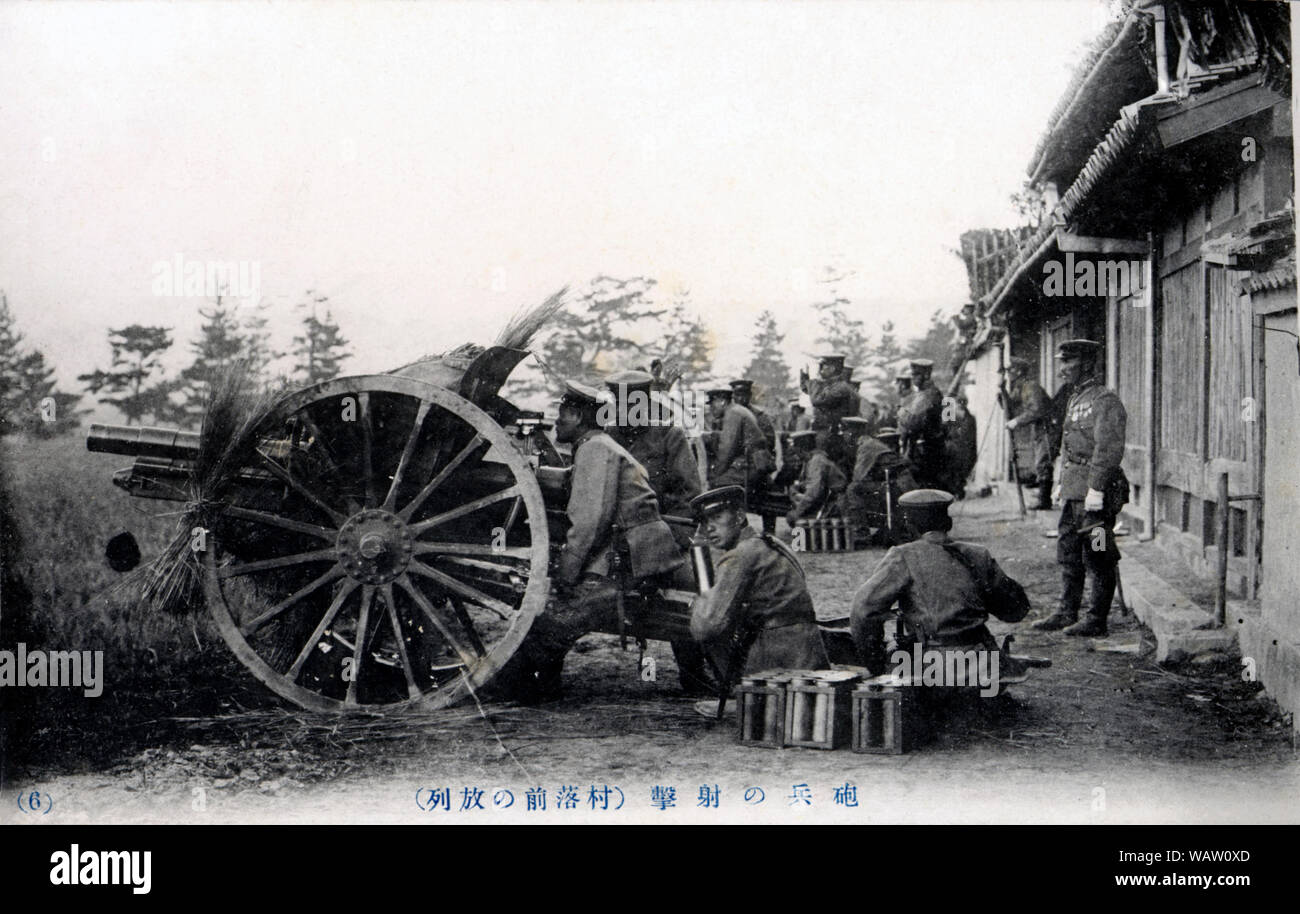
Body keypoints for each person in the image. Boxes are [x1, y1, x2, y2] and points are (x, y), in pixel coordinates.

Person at [501, 381, 689, 700]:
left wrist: (567, 574)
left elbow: (590, 520)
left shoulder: (596, 448)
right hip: (632, 553)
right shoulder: (597, 444)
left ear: (576, 415)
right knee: (551, 620)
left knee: (550, 624)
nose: (556, 421)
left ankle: (532, 693)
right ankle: (535, 689)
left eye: (562, 414)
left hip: (629, 560)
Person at [850, 489, 1030, 675]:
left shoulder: (903, 556)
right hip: (986, 664)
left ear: (909, 525)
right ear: (948, 523)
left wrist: (876, 662)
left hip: (934, 667)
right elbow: (1016, 611)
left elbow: (863, 610)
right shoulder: (978, 554)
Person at [689, 485, 829, 695]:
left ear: (738, 516)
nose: (709, 528)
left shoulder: (740, 555)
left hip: (777, 660)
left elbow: (706, 627)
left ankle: (736, 695)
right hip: (810, 651)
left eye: (717, 517)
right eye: (704, 521)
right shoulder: (772, 542)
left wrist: (698, 603)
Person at [1033, 340, 1128, 637]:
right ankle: (1066, 611)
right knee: (1069, 551)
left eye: (1068, 363)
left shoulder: (1105, 401)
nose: (1062, 369)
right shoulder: (1077, 398)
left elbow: (1107, 449)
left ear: (1087, 364)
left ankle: (1096, 619)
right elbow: (1069, 444)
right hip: (1075, 491)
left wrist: (1096, 489)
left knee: (1098, 554)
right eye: (1061, 362)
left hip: (1094, 493)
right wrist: (1061, 485)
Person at [604, 370, 702, 519]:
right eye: (617, 404)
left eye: (630, 405)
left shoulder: (669, 436)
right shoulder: (608, 434)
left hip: (656, 529)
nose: (620, 411)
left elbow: (688, 494)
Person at [844, 426, 917, 545]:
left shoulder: (866, 446)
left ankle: (861, 533)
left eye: (846, 432)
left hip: (897, 484)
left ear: (853, 433)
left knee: (853, 489)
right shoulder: (873, 444)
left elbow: (858, 477)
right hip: (903, 483)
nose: (844, 436)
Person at [1004, 357, 1054, 510]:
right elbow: (1010, 405)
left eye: (1010, 371)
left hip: (1049, 426)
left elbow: (1037, 410)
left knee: (1043, 460)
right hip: (1040, 427)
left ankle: (1044, 500)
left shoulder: (1030, 387)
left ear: (1018, 372)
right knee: (1041, 460)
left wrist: (1017, 421)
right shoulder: (1020, 387)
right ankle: (1042, 495)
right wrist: (1002, 391)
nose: (1008, 374)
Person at [704, 387, 771, 491]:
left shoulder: (733, 414)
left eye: (713, 405)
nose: (711, 409)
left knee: (715, 484)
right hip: (757, 463)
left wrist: (713, 475)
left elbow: (726, 450)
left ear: (722, 401)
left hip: (750, 466)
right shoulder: (737, 410)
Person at [896, 358, 946, 489]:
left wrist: (901, 412)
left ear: (926, 375)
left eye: (916, 374)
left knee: (926, 491)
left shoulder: (930, 394)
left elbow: (912, 421)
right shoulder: (922, 394)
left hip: (927, 451)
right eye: (912, 374)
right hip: (921, 450)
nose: (912, 378)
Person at [784, 430, 848, 527]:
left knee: (796, 520)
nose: (796, 455)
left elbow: (813, 493)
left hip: (834, 506)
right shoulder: (814, 459)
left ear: (802, 449)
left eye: (796, 450)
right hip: (831, 503)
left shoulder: (816, 461)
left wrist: (798, 512)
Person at [800, 354, 856, 432]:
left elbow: (817, 400)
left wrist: (816, 379)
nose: (820, 370)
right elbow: (807, 389)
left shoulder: (840, 387)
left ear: (832, 369)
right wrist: (805, 375)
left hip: (833, 433)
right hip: (827, 431)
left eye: (822, 366)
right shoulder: (832, 384)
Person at [939, 393, 977, 499]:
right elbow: (945, 428)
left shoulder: (970, 418)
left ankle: (958, 491)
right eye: (959, 402)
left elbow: (972, 437)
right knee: (952, 471)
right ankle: (954, 492)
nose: (961, 404)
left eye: (963, 402)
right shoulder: (952, 415)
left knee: (962, 472)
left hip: (965, 449)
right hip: (953, 448)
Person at [729, 379, 776, 454]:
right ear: (733, 396)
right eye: (737, 395)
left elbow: (770, 441)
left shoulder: (759, 415)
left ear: (750, 395)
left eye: (744, 395)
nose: (740, 399)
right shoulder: (728, 415)